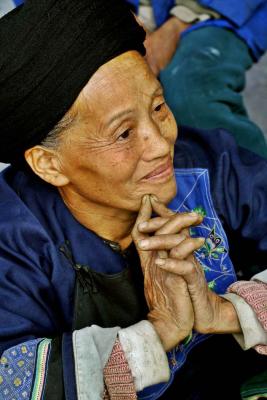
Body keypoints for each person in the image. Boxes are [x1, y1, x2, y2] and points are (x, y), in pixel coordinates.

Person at [0, 1, 266, 399]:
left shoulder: (210, 166)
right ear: (49, 164)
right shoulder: (13, 244)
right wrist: (158, 332)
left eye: (158, 107)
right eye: (123, 134)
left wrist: (228, 312)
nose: (161, 144)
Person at [128, 0, 267, 159]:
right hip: (132, 14)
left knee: (189, 91)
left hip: (216, 11)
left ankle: (254, 177)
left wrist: (182, 19)